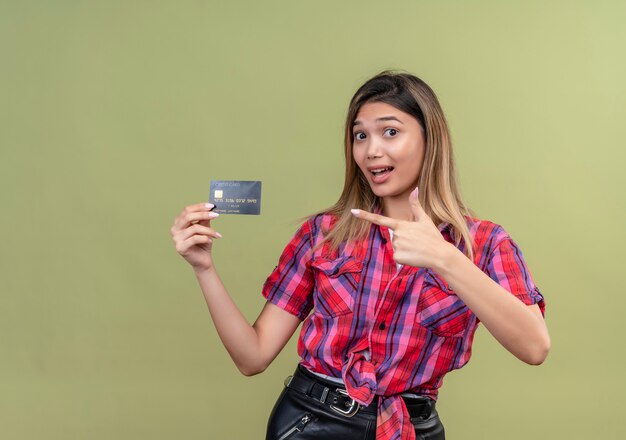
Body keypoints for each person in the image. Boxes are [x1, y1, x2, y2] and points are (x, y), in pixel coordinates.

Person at [170, 71, 550, 440]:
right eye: (360, 136)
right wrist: (204, 267)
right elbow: (252, 358)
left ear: (429, 139)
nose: (372, 151)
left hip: (409, 429)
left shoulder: (484, 244)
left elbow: (535, 347)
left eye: (390, 132)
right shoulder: (324, 234)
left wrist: (444, 258)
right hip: (310, 423)